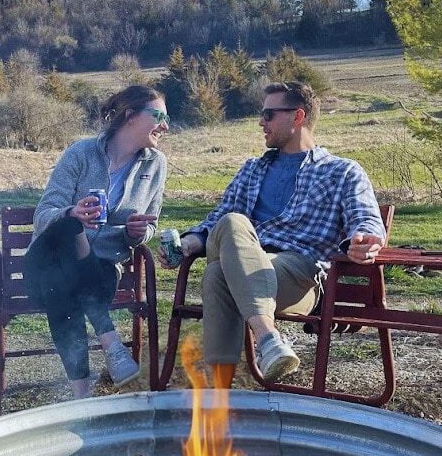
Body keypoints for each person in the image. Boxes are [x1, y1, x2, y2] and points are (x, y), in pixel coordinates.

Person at [165, 80, 385, 389]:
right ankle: (262, 347)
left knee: (217, 274)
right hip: (245, 257)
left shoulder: (342, 171)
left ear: (297, 117)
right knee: (230, 226)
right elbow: (216, 220)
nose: (260, 122)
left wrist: (364, 239)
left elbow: (366, 218)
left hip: (298, 276)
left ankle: (221, 391)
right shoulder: (252, 169)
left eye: (269, 115)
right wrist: (188, 243)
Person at [26, 85, 169, 399]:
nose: (165, 125)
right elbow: (43, 215)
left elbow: (150, 225)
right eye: (158, 115)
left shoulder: (155, 165)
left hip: (99, 269)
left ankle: (81, 396)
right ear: (130, 115)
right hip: (46, 259)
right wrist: (72, 212)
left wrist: (136, 233)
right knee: (69, 228)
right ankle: (112, 344)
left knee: (60, 283)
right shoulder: (81, 153)